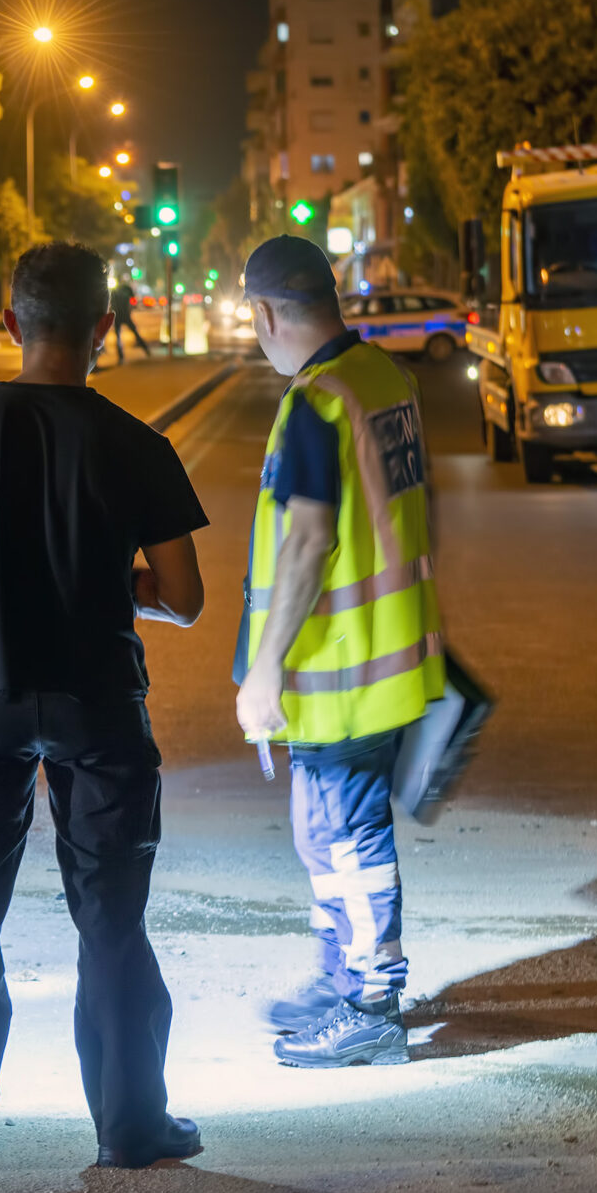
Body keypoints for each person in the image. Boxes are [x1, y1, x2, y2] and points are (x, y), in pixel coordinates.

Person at [0, 240, 210, 1172]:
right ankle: (130, 1125)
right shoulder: (137, 444)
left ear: (11, 323)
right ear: (105, 329)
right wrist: (112, 577)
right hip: (97, 700)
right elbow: (183, 595)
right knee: (109, 917)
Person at [232, 235, 443, 1069]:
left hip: (342, 669)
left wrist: (265, 666)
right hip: (388, 655)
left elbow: (309, 541)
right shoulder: (384, 379)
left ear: (266, 312)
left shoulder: (315, 403)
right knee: (325, 833)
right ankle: (340, 975)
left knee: (346, 838)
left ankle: (370, 1002)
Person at [108, 280, 148, 364]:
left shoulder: (114, 290)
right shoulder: (126, 289)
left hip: (118, 314)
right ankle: (145, 349)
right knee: (133, 332)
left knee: (118, 336)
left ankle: (121, 357)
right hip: (124, 314)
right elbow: (132, 300)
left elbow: (111, 303)